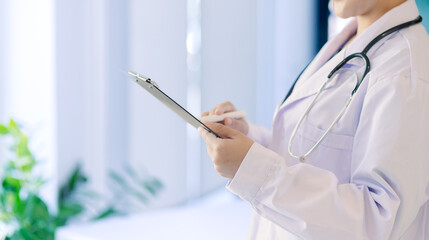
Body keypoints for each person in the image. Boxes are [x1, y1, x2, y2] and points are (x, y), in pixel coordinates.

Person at [198, 0, 429, 239]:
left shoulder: (403, 73)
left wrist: (254, 170)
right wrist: (248, 142)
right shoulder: (353, 40)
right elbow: (313, 151)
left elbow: (376, 221)